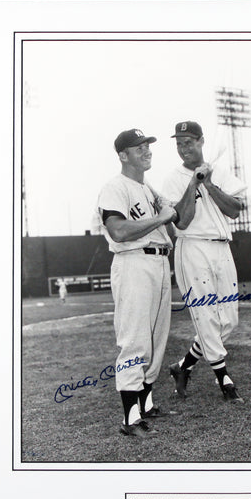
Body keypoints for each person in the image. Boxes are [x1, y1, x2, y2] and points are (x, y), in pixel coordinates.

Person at [95, 128, 177, 438]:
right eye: (139, 147)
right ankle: (130, 419)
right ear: (123, 155)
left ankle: (146, 404)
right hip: (133, 263)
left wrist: (196, 181)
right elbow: (118, 231)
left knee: (156, 337)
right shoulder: (115, 187)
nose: (147, 150)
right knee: (134, 339)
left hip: (158, 262)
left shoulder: (148, 188)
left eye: (147, 146)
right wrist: (160, 219)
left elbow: (175, 213)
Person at [162, 121, 246, 402]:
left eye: (188, 142)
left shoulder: (219, 171)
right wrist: (193, 184)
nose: (184, 148)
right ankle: (224, 379)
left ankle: (183, 367)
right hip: (193, 248)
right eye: (179, 143)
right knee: (206, 316)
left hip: (222, 248)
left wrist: (209, 184)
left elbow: (235, 211)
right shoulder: (172, 179)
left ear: (201, 141)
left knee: (228, 320)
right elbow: (182, 222)